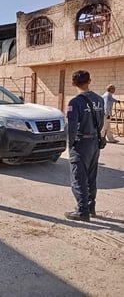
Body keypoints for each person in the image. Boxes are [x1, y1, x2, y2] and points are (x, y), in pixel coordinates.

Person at [65, 70, 104, 222]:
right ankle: (91, 206)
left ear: (73, 83)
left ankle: (82, 211)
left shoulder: (74, 102)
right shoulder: (99, 99)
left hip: (81, 143)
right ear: (90, 80)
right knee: (91, 177)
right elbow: (101, 122)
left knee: (78, 178)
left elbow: (72, 127)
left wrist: (70, 144)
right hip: (94, 142)